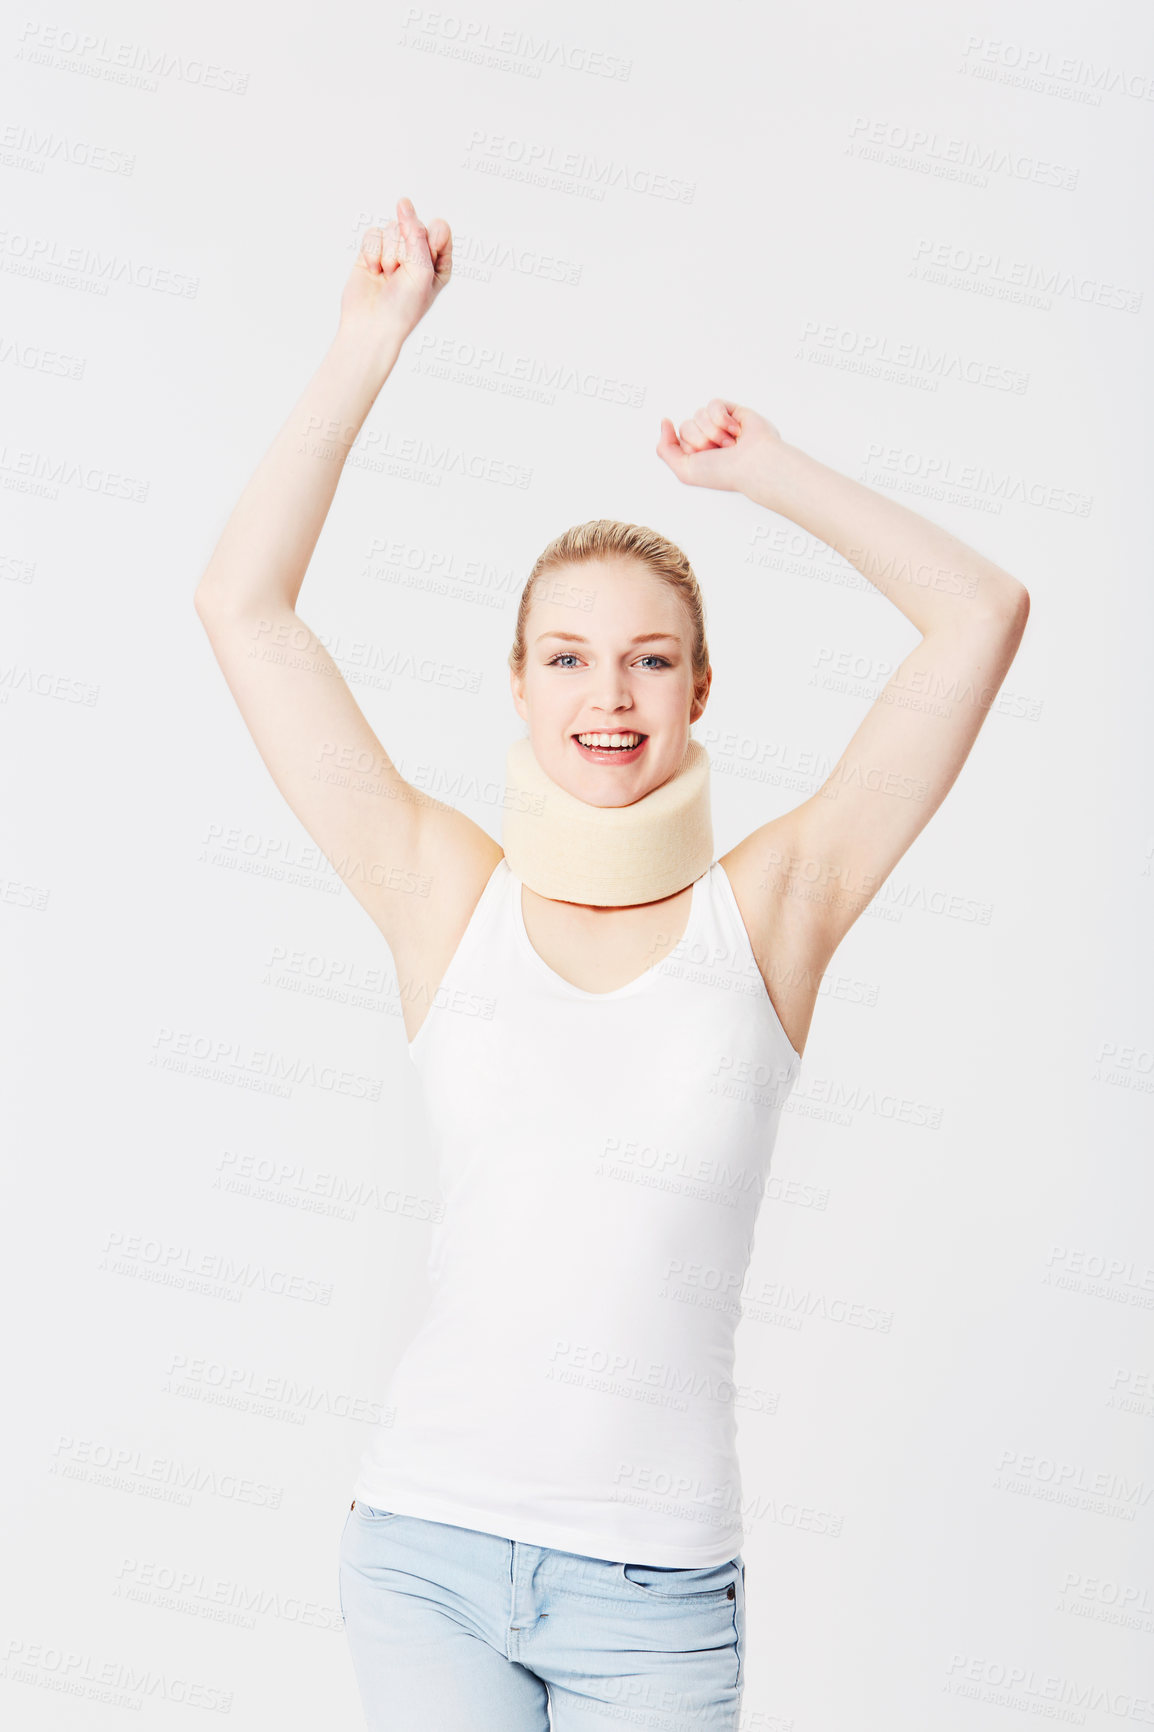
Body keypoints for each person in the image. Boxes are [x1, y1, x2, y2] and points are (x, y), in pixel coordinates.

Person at [193, 196, 1030, 1730]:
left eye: (650, 656)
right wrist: (366, 343)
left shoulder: (771, 910)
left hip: (654, 1592)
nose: (609, 694)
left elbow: (978, 616)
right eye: (567, 656)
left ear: (700, 685)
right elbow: (241, 611)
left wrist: (764, 472)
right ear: (515, 687)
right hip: (427, 1550)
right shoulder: (442, 891)